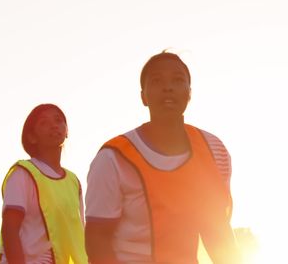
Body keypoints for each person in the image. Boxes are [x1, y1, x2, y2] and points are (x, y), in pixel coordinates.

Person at [84, 51, 239, 264]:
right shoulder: (113, 157)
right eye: (156, 81)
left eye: (177, 80)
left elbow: (217, 231)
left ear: (189, 93)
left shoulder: (213, 150)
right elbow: (97, 238)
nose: (168, 87)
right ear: (143, 96)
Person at [0, 104, 88, 264]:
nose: (53, 125)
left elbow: (79, 235)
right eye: (44, 123)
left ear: (67, 132)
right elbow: (10, 229)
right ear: (31, 137)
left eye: (58, 120)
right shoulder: (22, 173)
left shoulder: (74, 181)